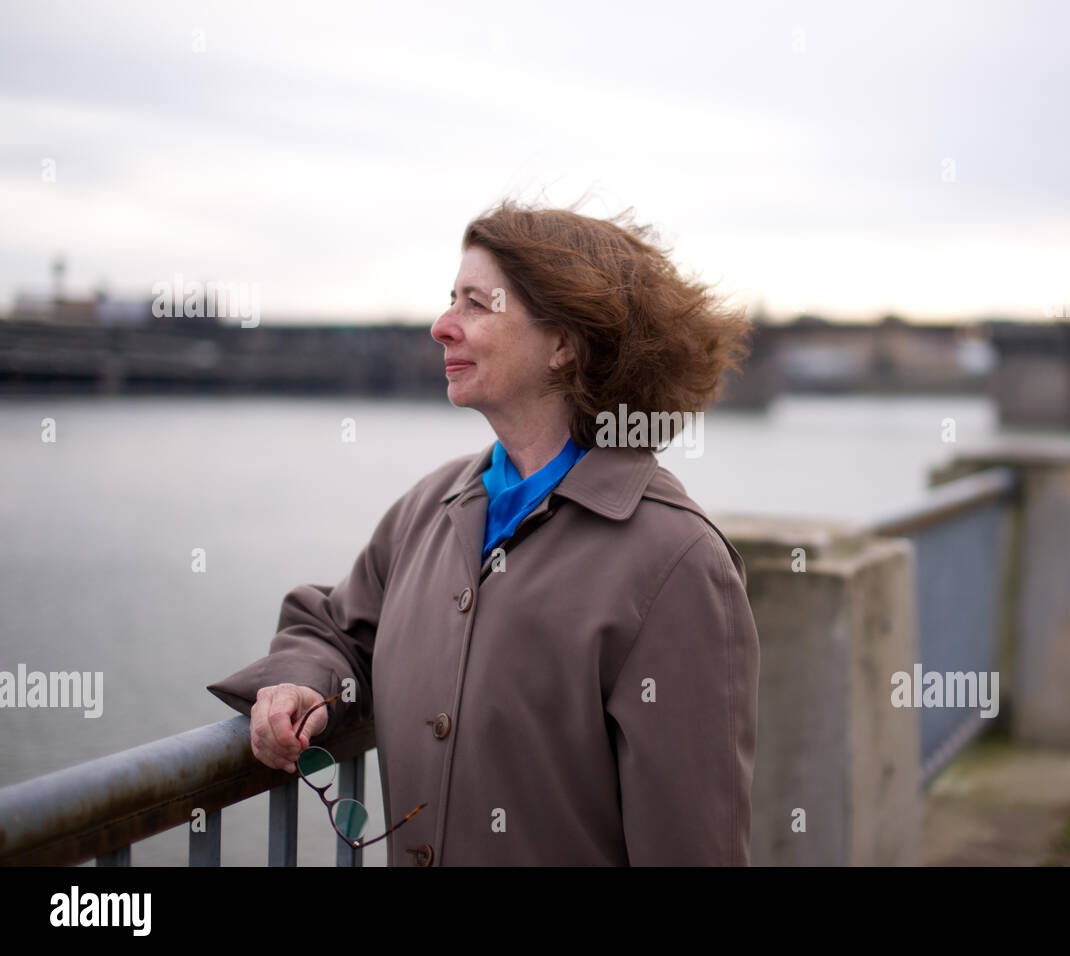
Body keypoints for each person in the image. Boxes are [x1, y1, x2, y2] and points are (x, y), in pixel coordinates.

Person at [208, 198, 760, 866]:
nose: (442, 327)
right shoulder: (433, 505)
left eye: (477, 303)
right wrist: (301, 683)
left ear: (565, 344)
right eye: (451, 300)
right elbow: (335, 628)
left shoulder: (676, 561)